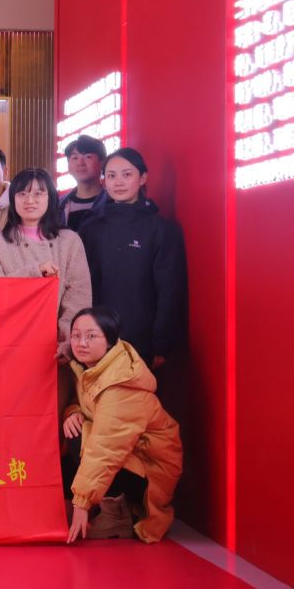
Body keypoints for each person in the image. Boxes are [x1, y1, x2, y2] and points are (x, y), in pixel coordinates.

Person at [78, 148, 187, 408]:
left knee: (137, 413)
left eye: (127, 174)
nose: (118, 182)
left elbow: (170, 291)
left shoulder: (162, 230)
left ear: (143, 178)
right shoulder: (90, 229)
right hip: (97, 338)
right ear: (103, 181)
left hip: (142, 340)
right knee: (98, 411)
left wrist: (161, 344)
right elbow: (82, 287)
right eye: (111, 175)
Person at [63, 307, 182, 544]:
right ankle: (101, 504)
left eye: (91, 336)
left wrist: (81, 504)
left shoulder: (121, 383)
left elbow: (105, 449)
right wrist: (73, 412)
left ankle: (117, 514)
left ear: (110, 340)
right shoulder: (94, 368)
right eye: (75, 335)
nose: (81, 343)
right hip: (130, 458)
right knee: (74, 427)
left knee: (83, 438)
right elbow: (83, 404)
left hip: (150, 473)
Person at [0, 168, 91, 363]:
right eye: (22, 194)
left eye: (38, 193)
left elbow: (78, 298)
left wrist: (68, 341)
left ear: (50, 198)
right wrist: (35, 271)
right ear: (13, 199)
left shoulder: (70, 241)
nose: (29, 200)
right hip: (9, 346)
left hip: (57, 348)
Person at [59, 135, 108, 231]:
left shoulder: (112, 202)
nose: (80, 163)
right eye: (75, 158)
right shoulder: (58, 206)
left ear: (102, 163)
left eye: (88, 157)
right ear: (68, 166)